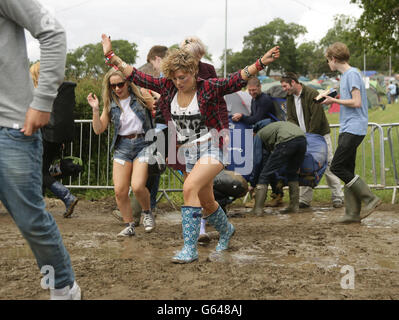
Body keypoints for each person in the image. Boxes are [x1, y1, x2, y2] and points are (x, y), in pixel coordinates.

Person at [101, 33, 280, 263]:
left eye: (183, 77)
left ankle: (189, 248)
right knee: (206, 201)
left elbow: (236, 79)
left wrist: (261, 62)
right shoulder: (168, 87)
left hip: (213, 148)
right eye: (175, 78)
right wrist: (110, 55)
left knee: (189, 187)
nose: (178, 82)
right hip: (189, 152)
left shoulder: (209, 87)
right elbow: (136, 75)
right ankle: (226, 230)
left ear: (194, 73)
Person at [0, 0, 80, 299]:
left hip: (10, 127)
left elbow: (52, 32)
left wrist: (43, 99)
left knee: (31, 220)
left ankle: (63, 287)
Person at [87, 68, 156, 236]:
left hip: (143, 143)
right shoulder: (110, 104)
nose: (117, 88)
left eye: (120, 84)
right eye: (113, 86)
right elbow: (98, 129)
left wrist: (155, 96)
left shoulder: (140, 96)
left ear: (128, 83)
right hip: (122, 147)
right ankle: (129, 224)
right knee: (120, 191)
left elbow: (157, 106)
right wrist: (95, 110)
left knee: (138, 186)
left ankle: (147, 213)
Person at [323, 42, 381, 223]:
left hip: (354, 127)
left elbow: (356, 102)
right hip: (348, 126)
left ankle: (370, 198)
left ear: (333, 59)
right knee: (347, 169)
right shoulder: (347, 76)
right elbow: (352, 99)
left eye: (328, 61)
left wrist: (333, 100)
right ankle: (352, 214)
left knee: (337, 167)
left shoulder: (352, 74)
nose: (328, 64)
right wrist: (334, 98)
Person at [280, 72, 344, 209]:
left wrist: (311, 136)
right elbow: (290, 117)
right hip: (302, 137)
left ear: (293, 82)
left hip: (319, 136)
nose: (284, 89)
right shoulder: (290, 98)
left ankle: (338, 197)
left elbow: (317, 116)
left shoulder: (311, 93)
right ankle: (304, 199)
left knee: (328, 165)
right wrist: (297, 133)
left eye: (285, 86)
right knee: (305, 166)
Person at [30, 62, 79, 218]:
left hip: (43, 137)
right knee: (42, 170)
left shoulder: (38, 93)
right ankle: (38, 206)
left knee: (39, 172)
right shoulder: (59, 91)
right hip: (56, 138)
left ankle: (66, 196)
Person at [232, 77, 284, 209]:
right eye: (249, 90)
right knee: (267, 165)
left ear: (260, 87)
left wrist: (242, 117)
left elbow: (257, 118)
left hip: (267, 137)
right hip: (262, 136)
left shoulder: (264, 100)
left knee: (261, 164)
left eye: (254, 90)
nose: (251, 93)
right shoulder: (255, 100)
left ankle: (259, 198)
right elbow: (255, 120)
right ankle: (277, 194)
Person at [254, 121, 307, 214]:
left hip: (286, 141)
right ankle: (294, 207)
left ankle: (257, 209)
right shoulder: (275, 127)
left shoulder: (258, 135)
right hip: (302, 140)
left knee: (264, 175)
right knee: (292, 173)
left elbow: (258, 160)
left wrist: (254, 182)